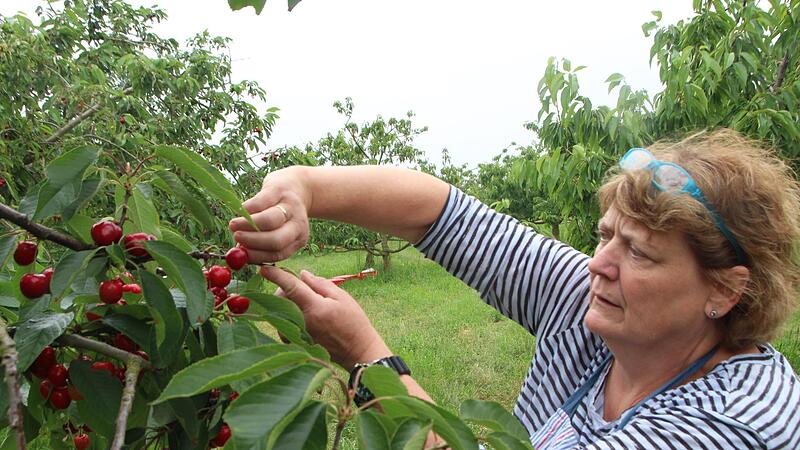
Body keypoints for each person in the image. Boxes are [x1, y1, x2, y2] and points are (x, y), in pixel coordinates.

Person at [229, 129, 800, 449]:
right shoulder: (595, 308)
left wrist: (365, 356)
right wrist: (305, 186)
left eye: (641, 253)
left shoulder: (731, 424)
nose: (598, 265)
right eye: (604, 237)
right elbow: (440, 213)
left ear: (724, 291)